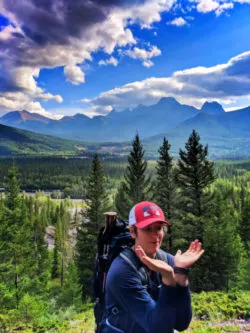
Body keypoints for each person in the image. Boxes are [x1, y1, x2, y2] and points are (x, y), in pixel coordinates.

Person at [100, 201, 204, 333]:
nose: (155, 235)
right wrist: (168, 279)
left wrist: (181, 273)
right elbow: (158, 329)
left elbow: (181, 323)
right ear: (133, 232)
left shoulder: (167, 261)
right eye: (147, 229)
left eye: (159, 228)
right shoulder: (121, 272)